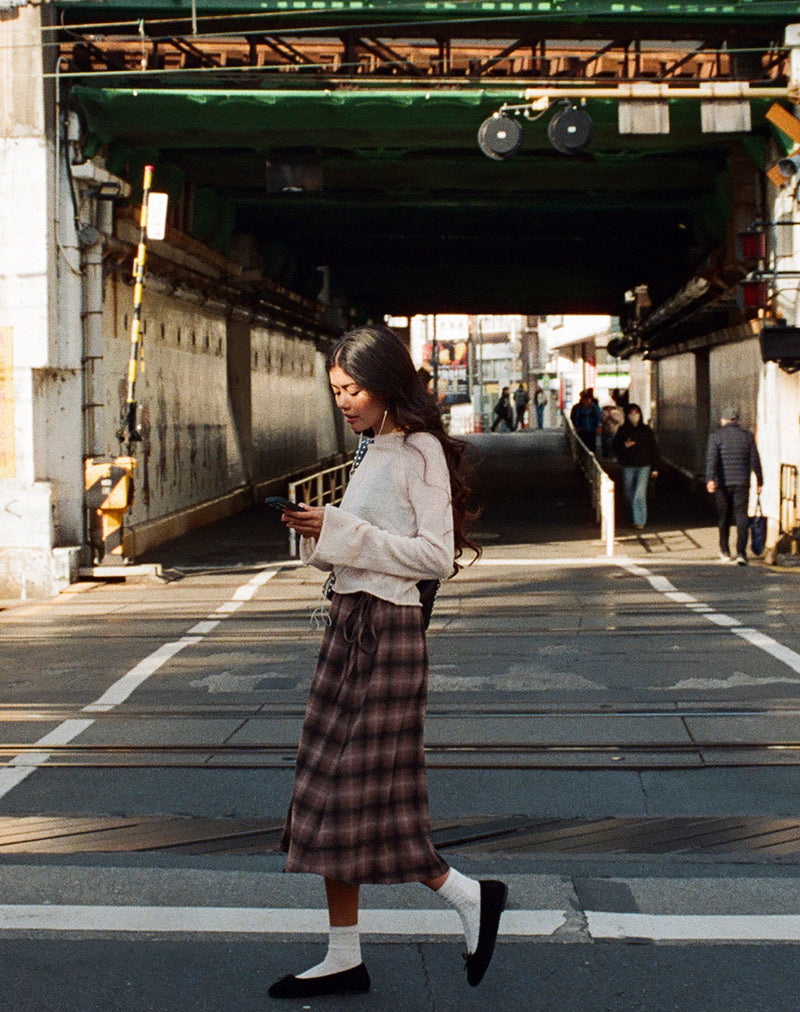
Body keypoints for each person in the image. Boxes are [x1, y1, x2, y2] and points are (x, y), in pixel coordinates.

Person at [272, 324, 507, 1000]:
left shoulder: (419, 449)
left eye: (353, 389)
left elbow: (435, 556)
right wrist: (320, 532)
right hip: (349, 625)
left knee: (358, 793)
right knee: (323, 789)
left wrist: (342, 529)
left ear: (385, 383)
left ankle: (466, 895)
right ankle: (344, 955)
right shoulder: (373, 447)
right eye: (336, 391)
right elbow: (361, 545)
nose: (343, 402)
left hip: (388, 633)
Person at [705, 406, 763, 565]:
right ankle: (741, 553)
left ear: (723, 420)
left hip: (722, 483)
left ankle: (724, 551)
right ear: (737, 420)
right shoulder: (747, 437)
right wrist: (760, 480)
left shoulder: (716, 437)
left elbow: (712, 460)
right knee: (741, 516)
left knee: (724, 516)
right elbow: (755, 460)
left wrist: (710, 479)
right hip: (742, 482)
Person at [612, 403, 660, 529]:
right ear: (627, 415)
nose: (634, 416)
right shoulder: (623, 430)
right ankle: (631, 517)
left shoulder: (646, 430)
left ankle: (640, 521)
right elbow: (614, 447)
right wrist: (625, 446)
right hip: (628, 465)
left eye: (636, 413)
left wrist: (655, 467)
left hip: (644, 465)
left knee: (639, 494)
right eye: (631, 413)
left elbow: (654, 449)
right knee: (628, 493)